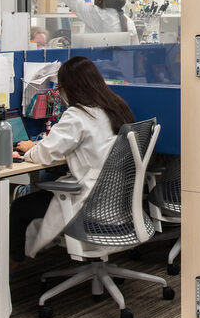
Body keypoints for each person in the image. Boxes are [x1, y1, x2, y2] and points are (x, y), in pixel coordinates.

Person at [9, 56, 135, 261]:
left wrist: (31, 148)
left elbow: (45, 155)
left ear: (70, 87)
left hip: (88, 202)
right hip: (115, 200)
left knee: (20, 208)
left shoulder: (78, 115)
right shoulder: (116, 107)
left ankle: (11, 269)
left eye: (60, 87)